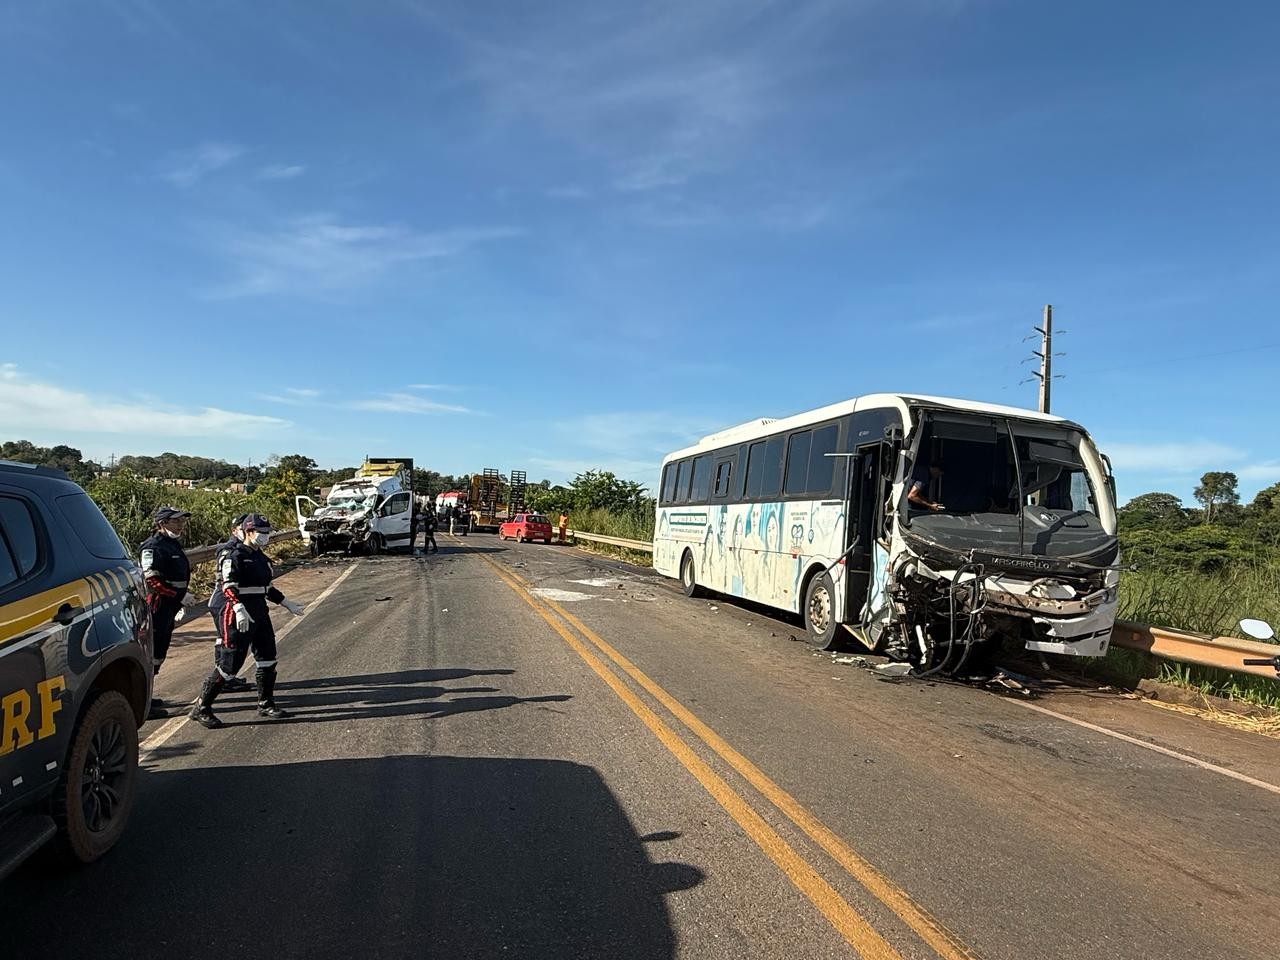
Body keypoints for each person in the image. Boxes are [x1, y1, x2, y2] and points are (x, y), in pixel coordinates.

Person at [189, 514, 306, 729]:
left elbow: (267, 588)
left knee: (267, 657)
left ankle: (266, 703)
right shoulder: (234, 555)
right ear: (248, 532)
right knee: (230, 663)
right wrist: (238, 608)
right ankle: (202, 707)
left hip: (259, 610)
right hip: (236, 613)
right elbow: (228, 585)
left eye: (267, 533)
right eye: (261, 533)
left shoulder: (260, 557)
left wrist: (286, 602)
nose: (265, 537)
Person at [140, 506, 200, 719]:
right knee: (151, 654)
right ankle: (143, 705)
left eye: (182, 521)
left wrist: (181, 597)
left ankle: (147, 696)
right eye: (176, 521)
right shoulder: (153, 547)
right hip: (158, 607)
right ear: (162, 523)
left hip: (170, 606)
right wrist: (178, 595)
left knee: (159, 653)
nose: (180, 524)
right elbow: (152, 580)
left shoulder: (172, 544)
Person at [206, 514, 251, 691]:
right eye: (243, 529)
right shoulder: (229, 550)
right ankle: (223, 678)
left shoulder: (244, 548)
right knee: (227, 641)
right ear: (234, 531)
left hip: (230, 600)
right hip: (224, 600)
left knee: (226, 640)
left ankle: (227, 677)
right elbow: (225, 579)